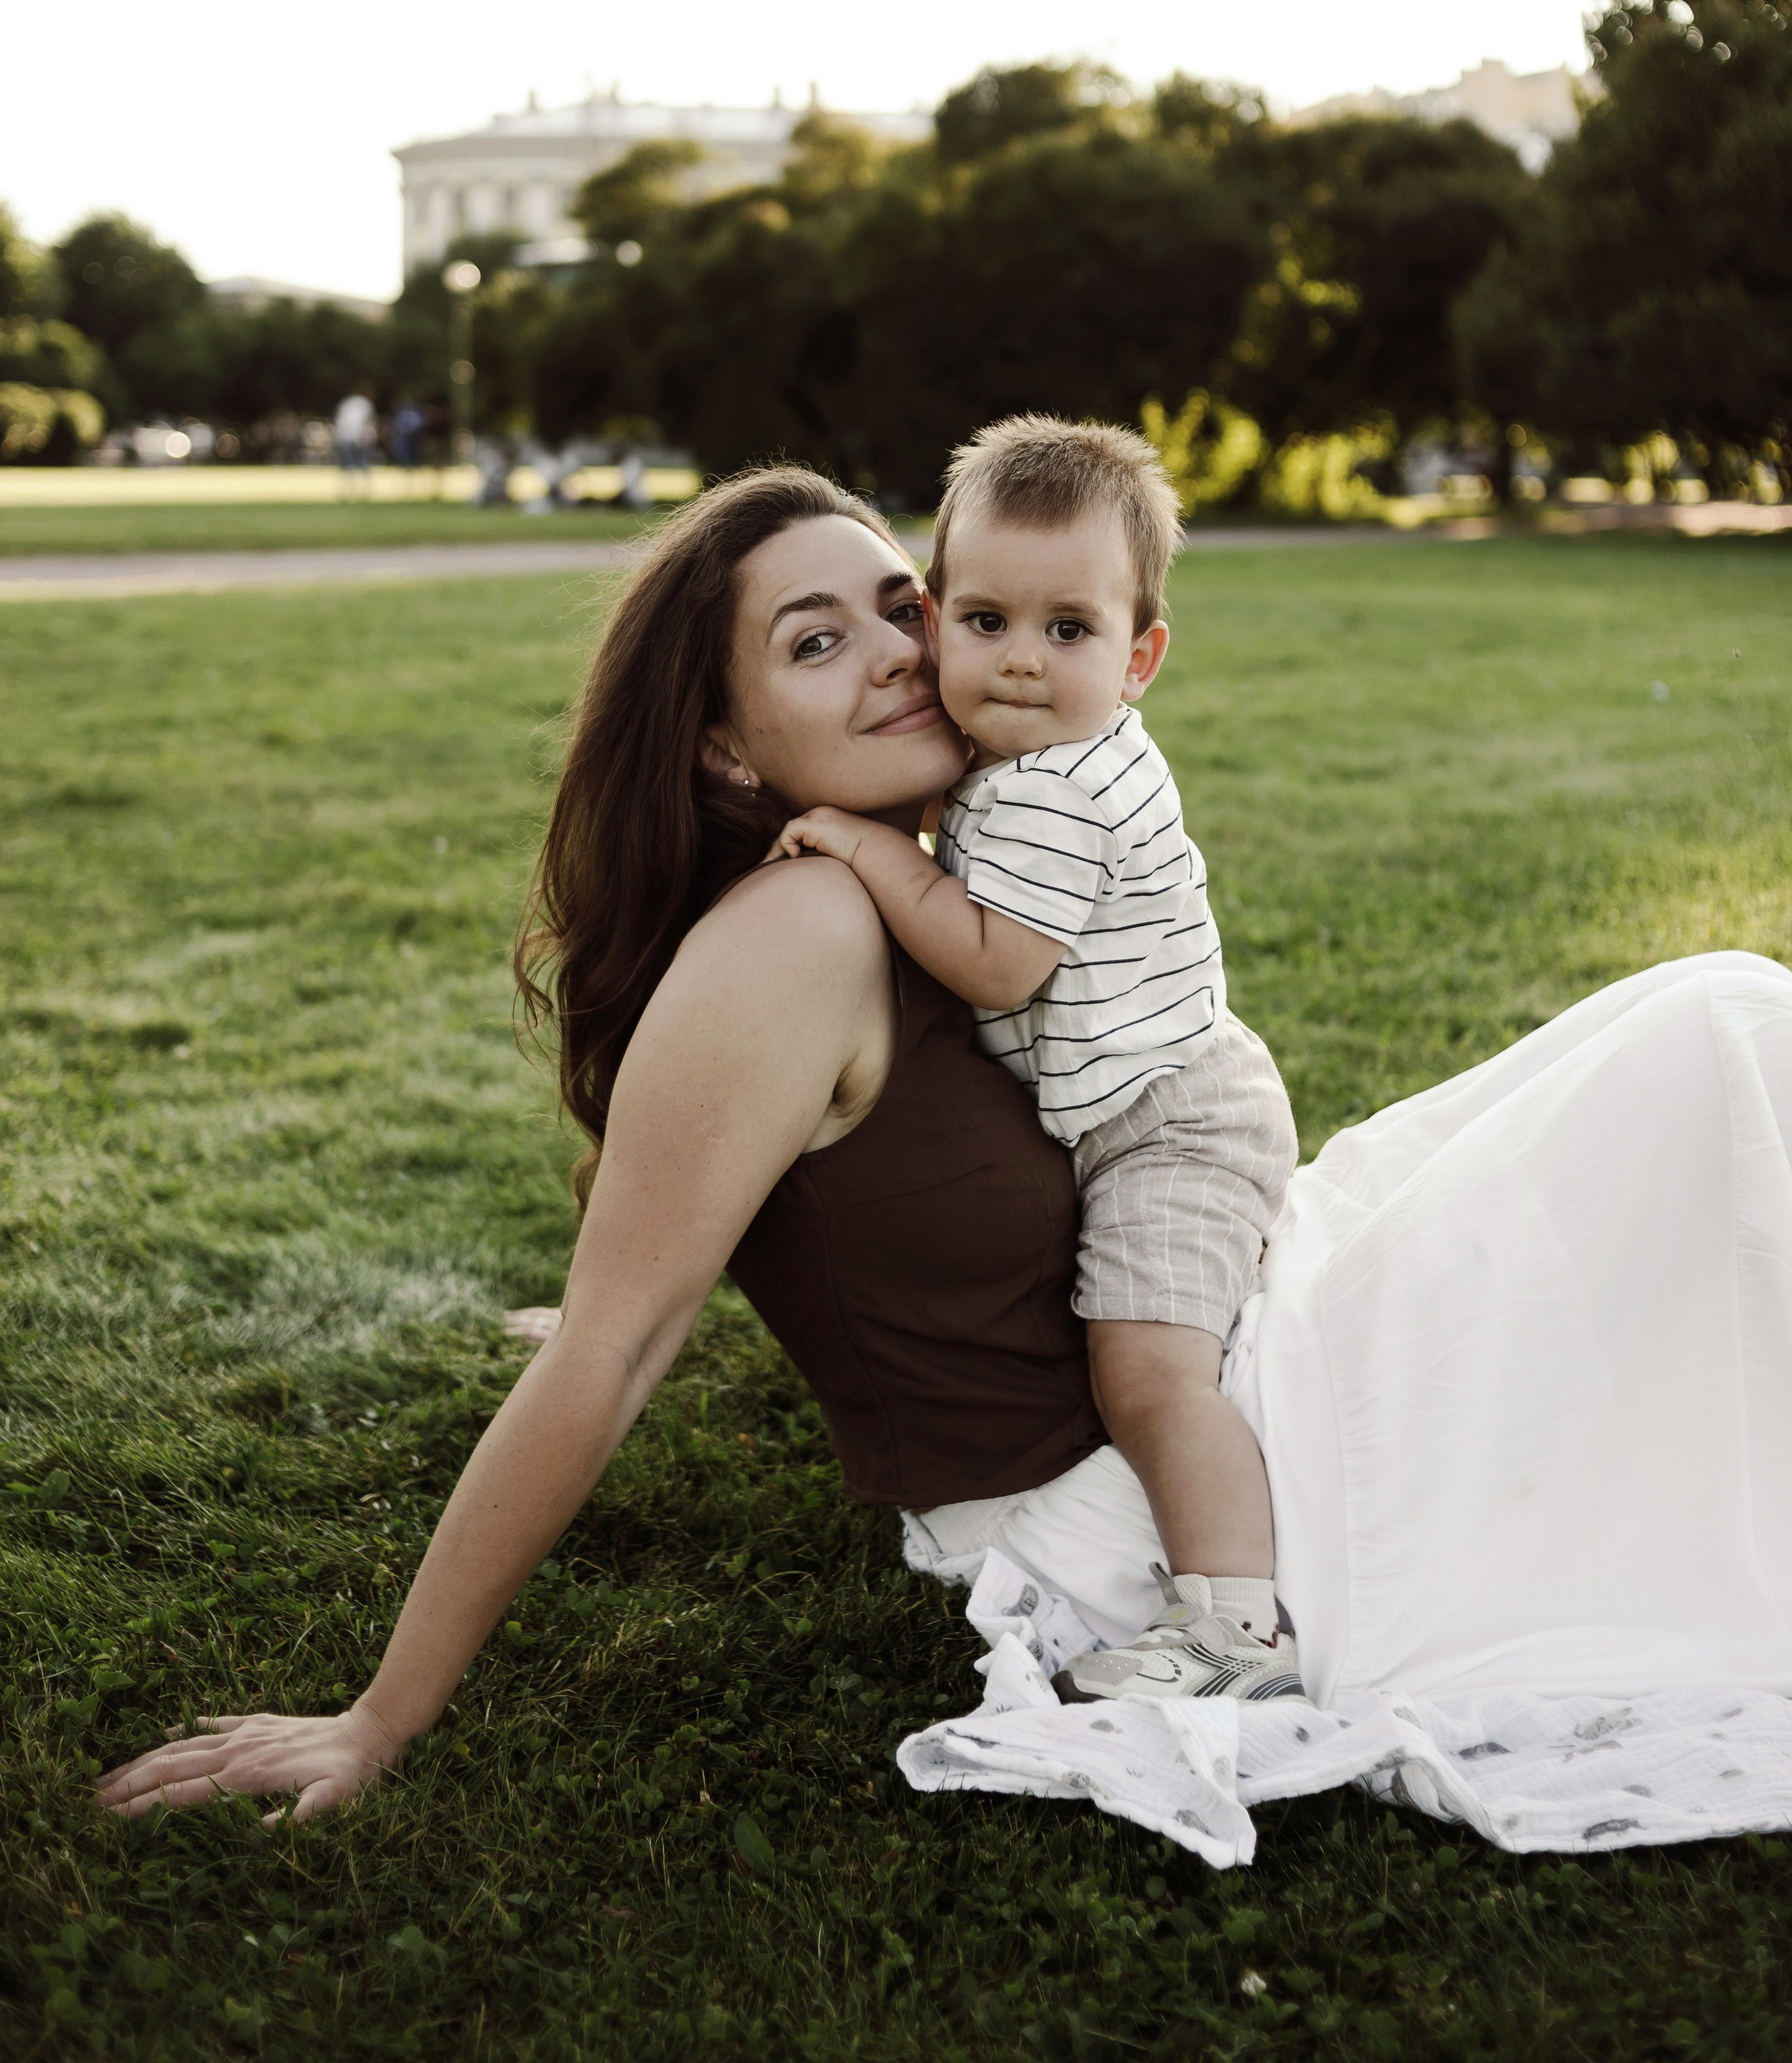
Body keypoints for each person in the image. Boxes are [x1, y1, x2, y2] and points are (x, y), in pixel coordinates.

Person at [93, 460, 1792, 1831]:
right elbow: (615, 1345)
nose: (905, 654)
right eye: (813, 642)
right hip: (1186, 1496)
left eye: (902, 607)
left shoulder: (925, 860)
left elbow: (784, 1202)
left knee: (1701, 1073)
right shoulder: (802, 929)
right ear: (719, 743)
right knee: (1711, 1045)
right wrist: (379, 1716)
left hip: (1220, 1334)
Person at [778, 419, 1299, 1702]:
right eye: (988, 622)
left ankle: (1236, 1629)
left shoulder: (1055, 790)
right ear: (936, 622)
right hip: (1150, 1088)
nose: (1020, 661)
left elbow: (998, 962)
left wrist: (870, 846)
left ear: (1139, 658)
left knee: (1147, 1377)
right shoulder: (1036, 750)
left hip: (1170, 1121)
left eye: (1069, 630)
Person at [333, 386, 377, 485]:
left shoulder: (346, 402)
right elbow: (367, 421)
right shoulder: (365, 404)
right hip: (358, 437)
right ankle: (365, 483)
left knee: (348, 461)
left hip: (346, 436)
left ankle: (348, 483)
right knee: (362, 461)